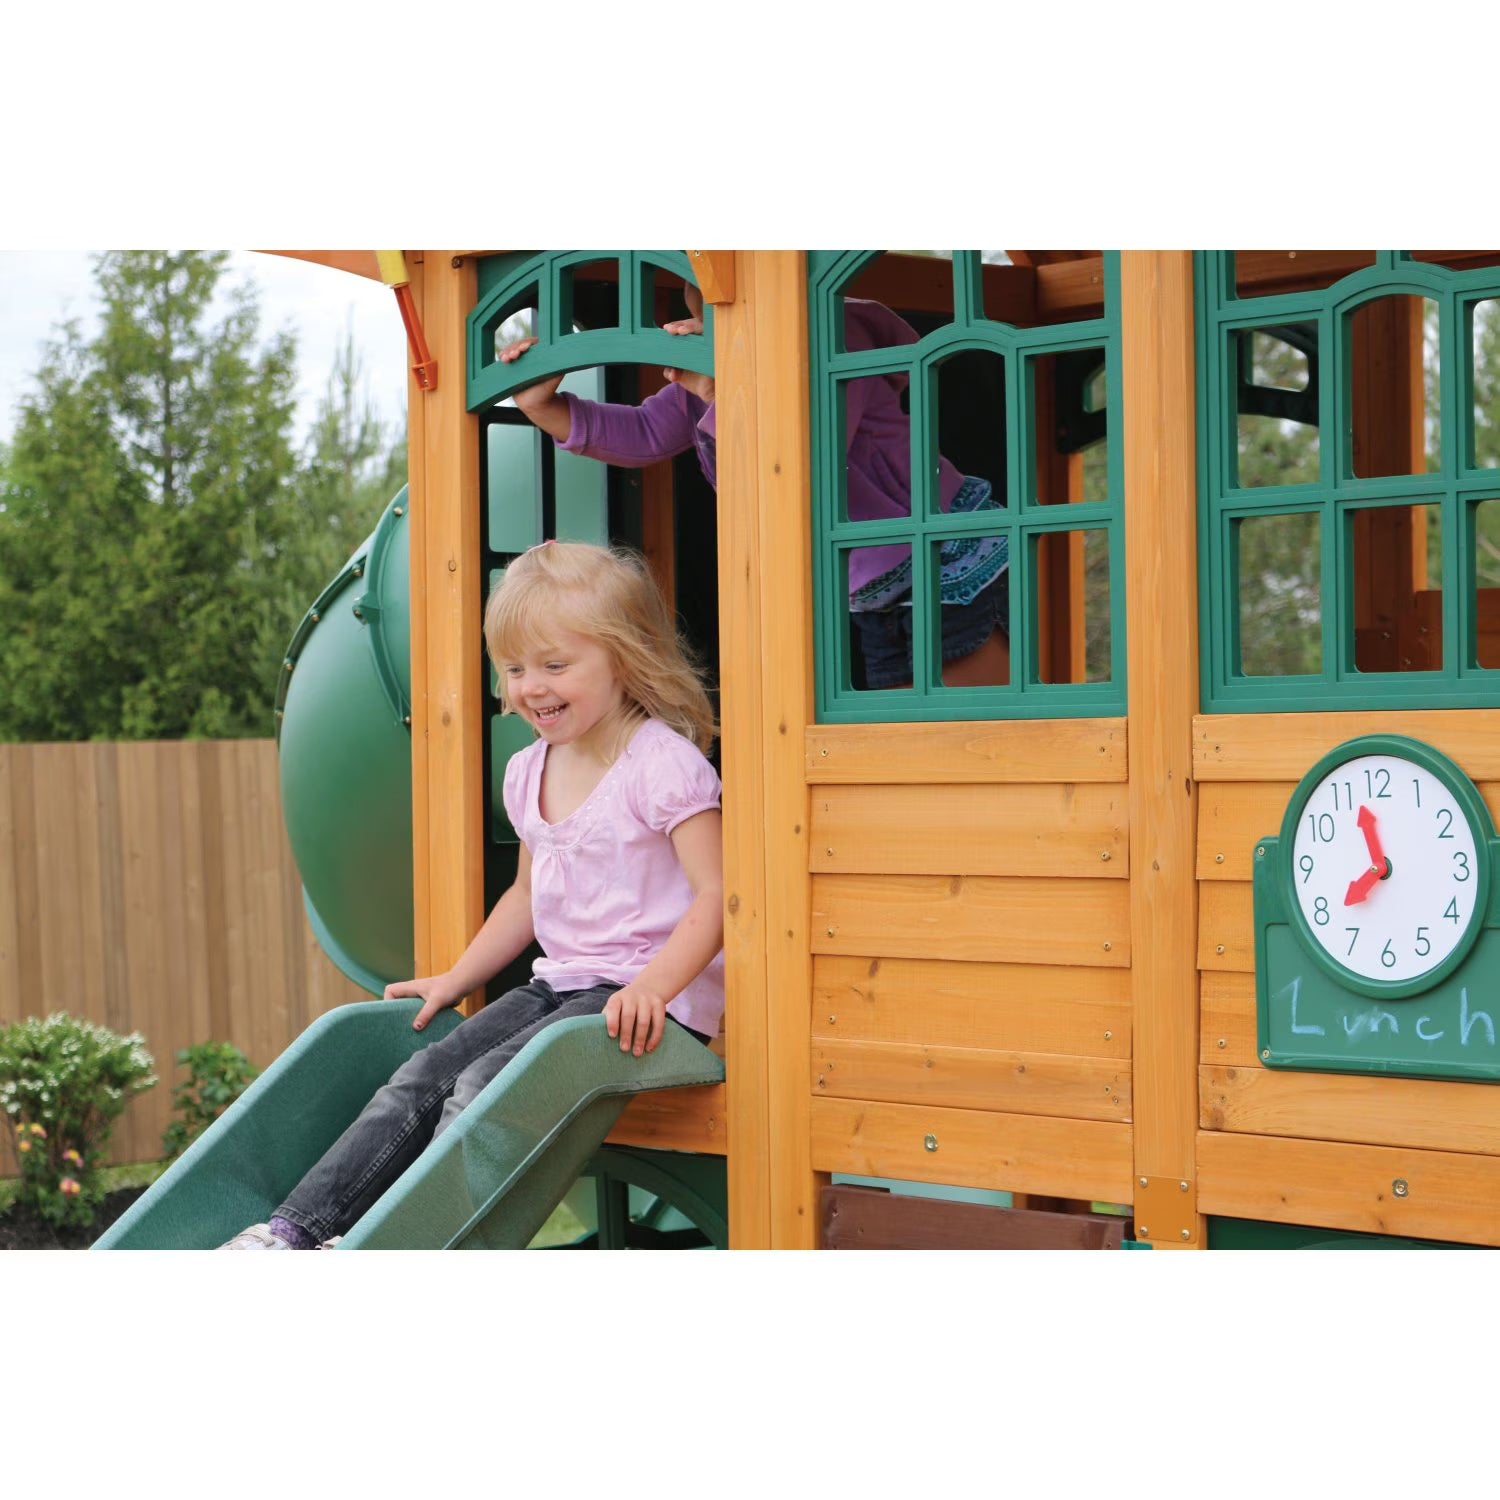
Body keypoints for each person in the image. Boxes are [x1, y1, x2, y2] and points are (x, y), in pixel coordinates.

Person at [222, 541, 724, 1249]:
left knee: (485, 1086)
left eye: (555, 665)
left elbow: (717, 894)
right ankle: (299, 1235)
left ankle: (397, 1239)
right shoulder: (528, 770)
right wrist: (457, 977)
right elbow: (525, 896)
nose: (530, 687)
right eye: (515, 669)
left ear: (623, 656)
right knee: (421, 1076)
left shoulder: (661, 764)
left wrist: (657, 988)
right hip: (565, 988)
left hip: (644, 1006)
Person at [499, 283, 1010, 690]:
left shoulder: (832, 337)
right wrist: (545, 407)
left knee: (971, 718)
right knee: (904, 730)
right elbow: (645, 432)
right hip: (873, 583)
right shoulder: (713, 381)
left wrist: (717, 392)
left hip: (942, 550)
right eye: (701, 298)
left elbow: (793, 460)